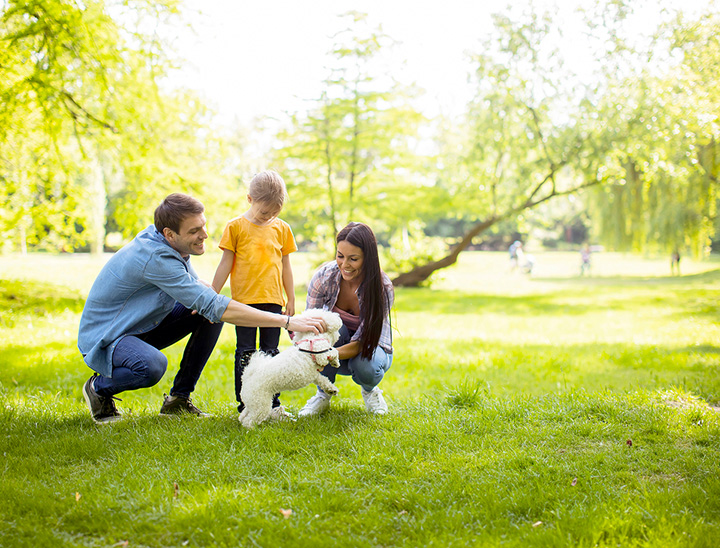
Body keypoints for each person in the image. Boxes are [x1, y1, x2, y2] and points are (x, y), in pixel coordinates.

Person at [77, 193, 325, 424]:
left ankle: (178, 400)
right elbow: (213, 303)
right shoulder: (155, 258)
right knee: (152, 366)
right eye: (194, 231)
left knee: (209, 316)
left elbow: (202, 293)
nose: (204, 235)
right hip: (108, 336)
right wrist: (287, 322)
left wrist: (209, 298)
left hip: (138, 325)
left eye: (203, 226)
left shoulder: (167, 242)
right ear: (169, 233)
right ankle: (98, 388)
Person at [211, 170, 297, 419]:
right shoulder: (235, 227)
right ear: (249, 199)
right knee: (246, 353)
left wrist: (290, 298)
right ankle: (246, 405)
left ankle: (273, 405)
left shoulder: (282, 229)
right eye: (264, 212)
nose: (269, 217)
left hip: (273, 301)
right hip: (244, 304)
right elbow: (225, 264)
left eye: (274, 213)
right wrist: (211, 297)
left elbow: (286, 266)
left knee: (271, 354)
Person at [298, 222, 394, 417]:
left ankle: (370, 391)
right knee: (324, 329)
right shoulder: (324, 277)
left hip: (367, 350)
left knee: (366, 367)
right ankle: (322, 395)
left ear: (368, 258)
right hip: (334, 345)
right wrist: (311, 346)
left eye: (354, 259)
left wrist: (327, 353)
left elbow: (364, 341)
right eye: (340, 256)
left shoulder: (382, 287)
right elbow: (309, 324)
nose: (344, 265)